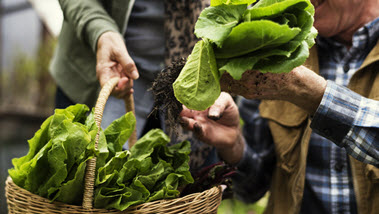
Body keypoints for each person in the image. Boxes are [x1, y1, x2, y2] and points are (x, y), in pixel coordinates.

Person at [180, 0, 379, 213]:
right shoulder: (278, 45)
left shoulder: (291, 73)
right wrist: (234, 146)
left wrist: (308, 91)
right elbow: (252, 189)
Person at [50, 0, 218, 170]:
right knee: (81, 173)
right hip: (98, 78)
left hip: (193, 97)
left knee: (189, 185)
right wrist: (101, 31)